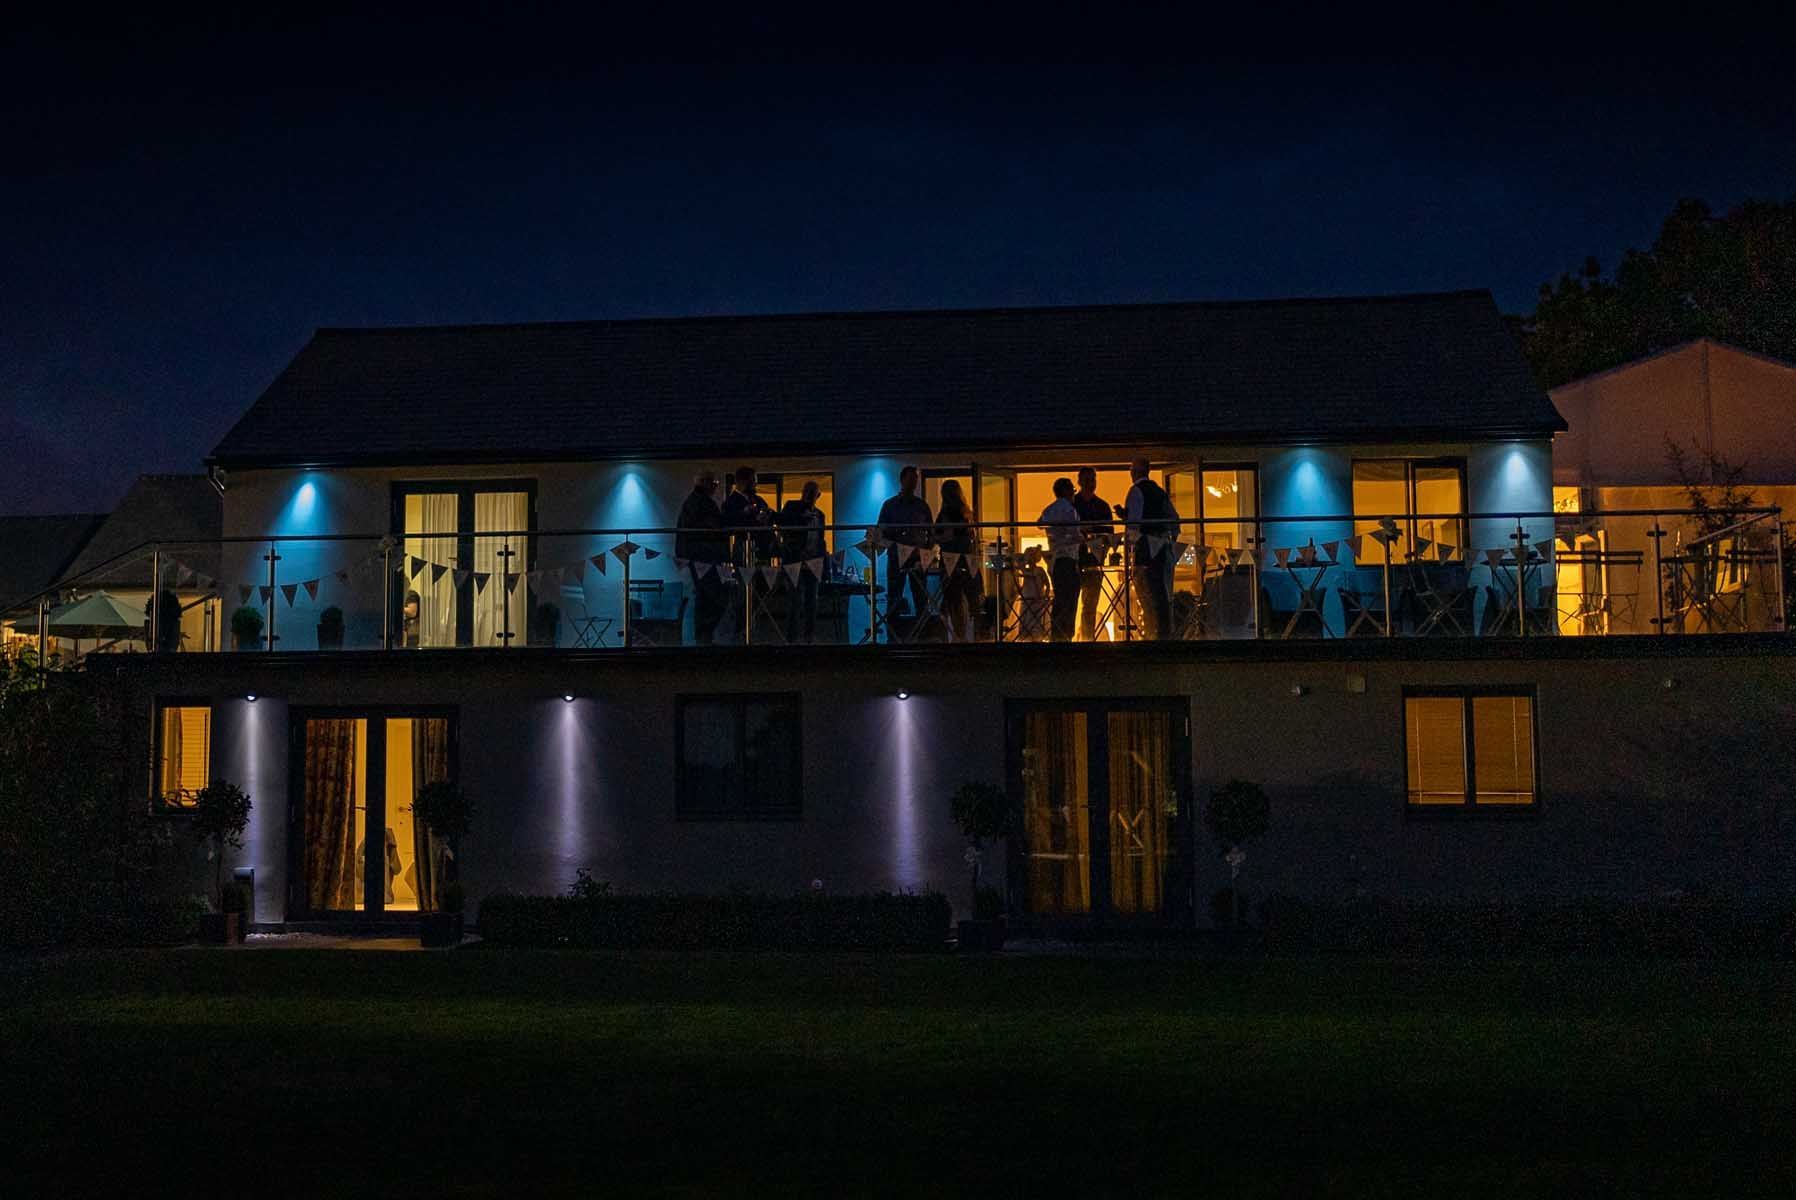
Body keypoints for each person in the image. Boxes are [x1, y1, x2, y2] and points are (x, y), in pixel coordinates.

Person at [1120, 458, 1180, 639]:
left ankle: (1152, 633)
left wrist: (1129, 542)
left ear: (1134, 472)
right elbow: (1175, 519)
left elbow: (1134, 524)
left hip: (1146, 548)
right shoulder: (1160, 492)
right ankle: (1163, 632)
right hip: (1162, 547)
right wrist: (1171, 540)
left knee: (1145, 593)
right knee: (1160, 592)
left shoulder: (1136, 491)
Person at [719, 466, 775, 643]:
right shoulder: (731, 502)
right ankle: (741, 631)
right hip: (743, 549)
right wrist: (744, 515)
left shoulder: (758, 500)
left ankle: (751, 628)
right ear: (742, 482)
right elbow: (726, 524)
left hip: (761, 550)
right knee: (744, 592)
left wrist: (767, 517)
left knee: (762, 589)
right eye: (752, 481)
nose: (755, 484)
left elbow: (768, 519)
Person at [876, 466, 934, 630]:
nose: (914, 482)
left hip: (918, 556)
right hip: (896, 555)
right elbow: (880, 531)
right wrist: (893, 536)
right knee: (894, 596)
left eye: (915, 479)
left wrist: (927, 553)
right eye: (911, 479)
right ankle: (892, 633)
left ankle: (922, 632)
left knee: (920, 596)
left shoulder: (922, 506)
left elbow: (931, 532)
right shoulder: (890, 505)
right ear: (902, 480)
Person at [676, 471, 728, 644]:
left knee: (704, 598)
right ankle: (703, 637)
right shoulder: (701, 503)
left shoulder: (693, 502)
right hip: (703, 557)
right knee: (711, 598)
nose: (716, 487)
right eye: (715, 483)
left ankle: (702, 637)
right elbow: (714, 527)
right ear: (705, 483)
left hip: (697, 557)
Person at [778, 480, 827, 643]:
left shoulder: (820, 515)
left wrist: (823, 560)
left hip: (813, 561)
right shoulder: (792, 507)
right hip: (795, 560)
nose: (808, 495)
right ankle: (791, 638)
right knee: (795, 600)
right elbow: (783, 525)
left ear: (818, 495)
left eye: (812, 492)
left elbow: (821, 538)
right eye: (806, 491)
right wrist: (801, 519)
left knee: (812, 600)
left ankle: (809, 636)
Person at [934, 478, 982, 642]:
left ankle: (958, 635)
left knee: (953, 599)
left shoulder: (946, 514)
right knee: (971, 597)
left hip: (951, 560)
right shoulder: (967, 513)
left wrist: (934, 538)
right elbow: (970, 538)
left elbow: (947, 536)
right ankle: (974, 634)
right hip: (967, 559)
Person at [1037, 477, 1083, 642]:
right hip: (1068, 558)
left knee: (1059, 598)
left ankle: (1056, 635)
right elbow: (1074, 534)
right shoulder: (1069, 509)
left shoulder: (1049, 509)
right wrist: (1085, 537)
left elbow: (1039, 523)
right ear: (1066, 491)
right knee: (1070, 598)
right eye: (1072, 490)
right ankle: (1066, 636)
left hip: (1055, 559)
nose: (1074, 494)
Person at [1072, 467, 1114, 641]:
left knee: (1090, 604)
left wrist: (1101, 551)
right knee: (1071, 603)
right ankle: (1070, 638)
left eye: (1093, 479)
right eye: (1088, 479)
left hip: (1094, 561)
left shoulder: (1102, 506)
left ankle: (1087, 639)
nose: (1092, 483)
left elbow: (1109, 535)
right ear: (1080, 481)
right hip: (1075, 559)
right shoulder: (1072, 505)